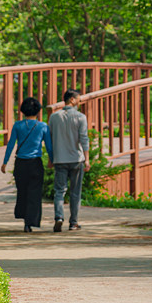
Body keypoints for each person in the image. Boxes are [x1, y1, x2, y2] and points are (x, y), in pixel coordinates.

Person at [2, 97, 52, 232]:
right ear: (38, 111)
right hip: (35, 163)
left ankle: (24, 219)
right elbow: (49, 146)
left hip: (20, 164)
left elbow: (11, 145)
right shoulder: (43, 126)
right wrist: (51, 160)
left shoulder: (17, 126)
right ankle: (31, 222)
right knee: (34, 193)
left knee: (22, 191)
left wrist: (5, 162)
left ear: (23, 110)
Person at [48, 88, 90, 232]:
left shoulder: (54, 117)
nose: (80, 101)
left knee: (59, 191)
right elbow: (84, 139)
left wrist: (50, 158)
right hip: (76, 159)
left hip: (60, 159)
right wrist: (87, 159)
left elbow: (50, 140)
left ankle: (59, 217)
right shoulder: (80, 117)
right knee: (75, 192)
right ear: (72, 99)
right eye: (79, 98)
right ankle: (73, 223)